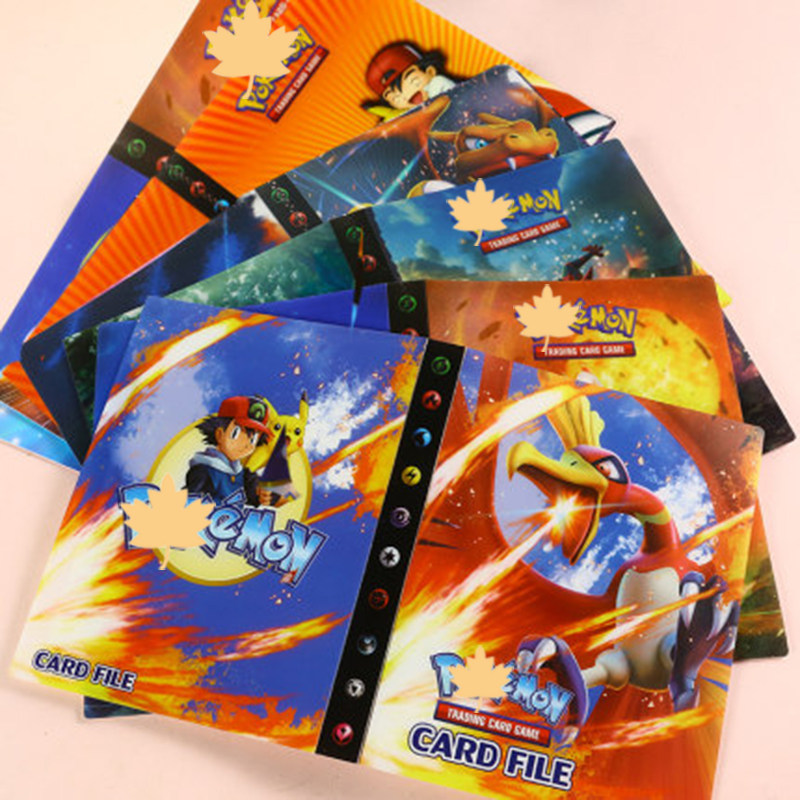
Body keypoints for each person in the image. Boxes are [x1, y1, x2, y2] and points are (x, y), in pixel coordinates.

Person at [185, 395, 277, 507]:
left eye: (253, 440)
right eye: (236, 434)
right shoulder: (204, 472)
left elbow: (256, 493)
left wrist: (266, 494)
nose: (247, 445)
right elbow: (189, 505)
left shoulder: (242, 474)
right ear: (219, 434)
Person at [364, 42, 457, 120]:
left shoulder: (439, 85)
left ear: (430, 71)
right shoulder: (408, 116)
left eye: (414, 82)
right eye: (395, 98)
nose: (405, 96)